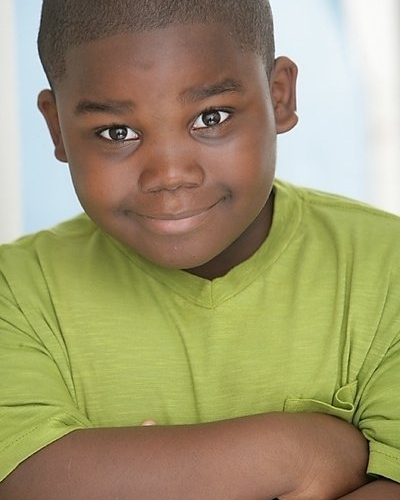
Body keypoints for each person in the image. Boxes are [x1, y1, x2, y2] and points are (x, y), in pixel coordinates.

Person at [0, 0, 399, 498]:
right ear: (57, 127)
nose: (170, 175)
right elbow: (24, 480)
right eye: (117, 133)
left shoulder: (388, 270)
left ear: (279, 96)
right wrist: (294, 452)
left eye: (211, 117)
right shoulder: (17, 293)